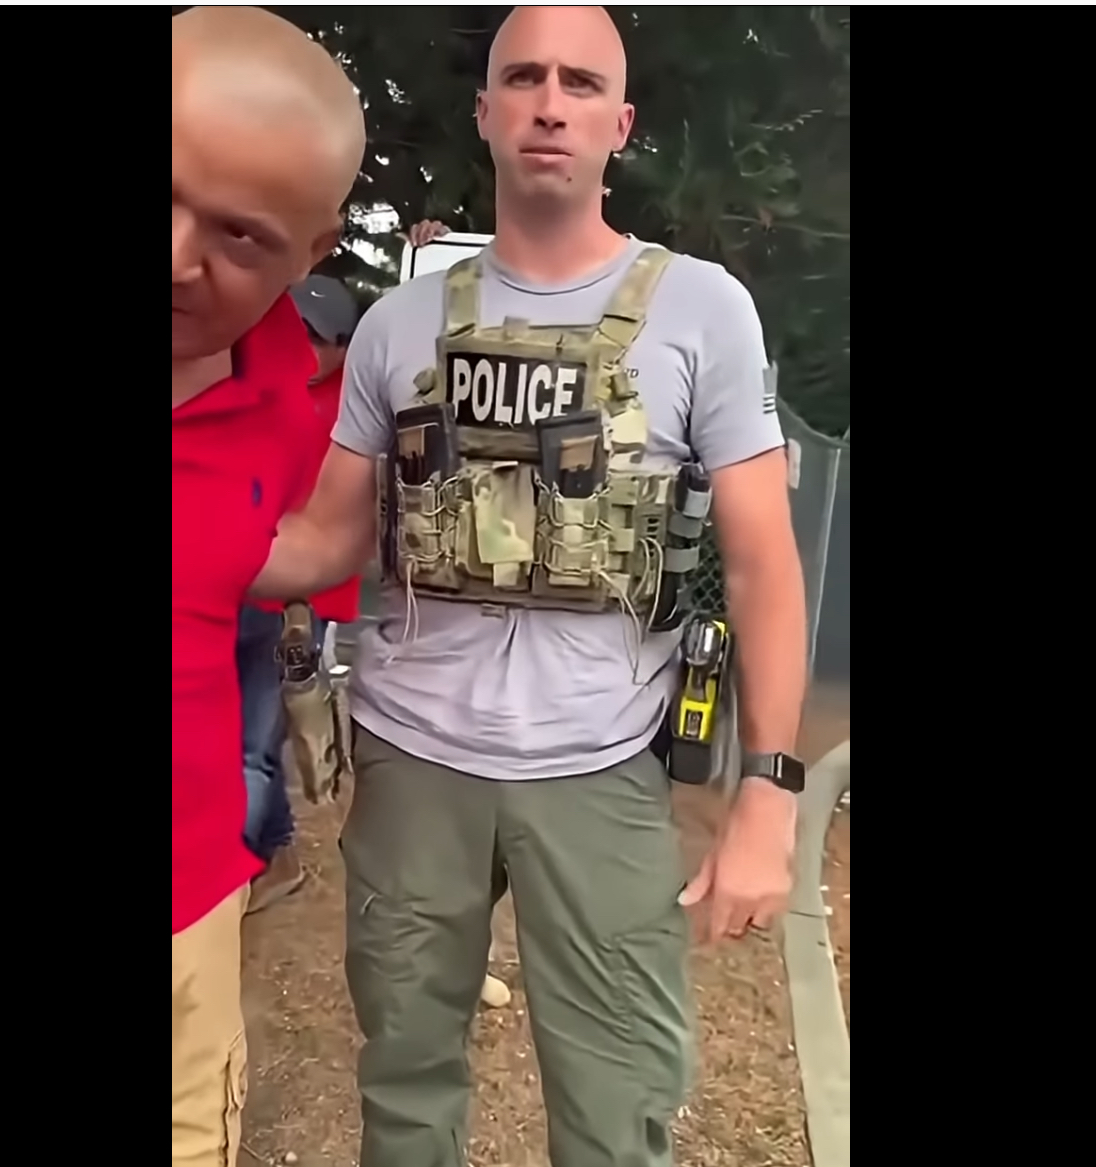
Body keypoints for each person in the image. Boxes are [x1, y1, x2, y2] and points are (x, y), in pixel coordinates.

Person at [252, 6, 808, 1165]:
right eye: (524, 78)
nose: (550, 104)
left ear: (620, 122)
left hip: (600, 766)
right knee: (406, 1093)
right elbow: (324, 543)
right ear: (486, 111)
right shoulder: (399, 325)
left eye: (580, 83)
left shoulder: (701, 309)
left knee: (616, 1113)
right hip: (414, 764)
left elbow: (764, 563)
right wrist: (206, 538)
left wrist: (769, 794)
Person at [171, 7, 364, 1165]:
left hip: (187, 890)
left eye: (239, 236)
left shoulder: (285, 403)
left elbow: (294, 549)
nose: (175, 256)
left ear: (313, 250)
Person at [239, 274, 363, 915]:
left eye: (316, 338)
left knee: (254, 747)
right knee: (226, 734)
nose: (302, 347)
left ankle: (223, 885)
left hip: (295, 602)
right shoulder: (254, 382)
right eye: (292, 331)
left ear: (344, 345)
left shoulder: (357, 405)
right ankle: (277, 850)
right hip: (233, 582)